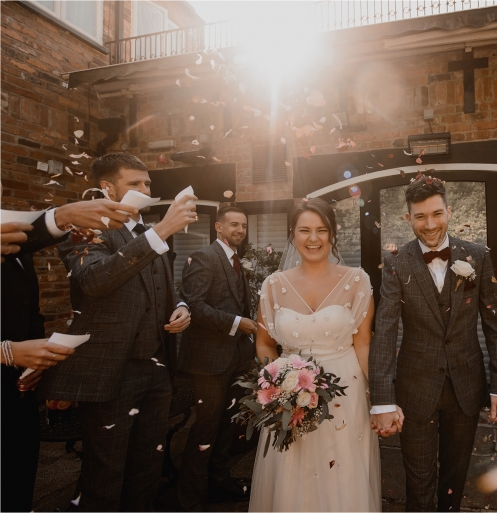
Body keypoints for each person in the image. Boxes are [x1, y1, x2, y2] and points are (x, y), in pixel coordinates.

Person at [37, 153, 197, 511]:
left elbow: (161, 288)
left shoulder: (147, 233)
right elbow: (94, 281)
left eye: (148, 184)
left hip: (156, 369)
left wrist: (181, 307)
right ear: (108, 188)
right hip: (112, 371)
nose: (145, 190)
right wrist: (161, 231)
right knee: (106, 475)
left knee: (147, 469)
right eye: (134, 184)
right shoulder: (87, 228)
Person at [369, 174, 497, 512]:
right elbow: (385, 330)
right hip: (415, 387)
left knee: (455, 476)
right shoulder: (395, 262)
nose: (429, 224)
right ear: (408, 218)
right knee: (418, 481)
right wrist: (383, 399)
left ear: (448, 211)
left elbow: (495, 324)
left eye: (436, 214)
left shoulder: (477, 256)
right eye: (420, 216)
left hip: (466, 384)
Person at [1, 197, 139, 512]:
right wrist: (7, 352)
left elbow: (25, 308)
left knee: (17, 485)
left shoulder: (12, 240)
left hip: (18, 391)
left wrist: (32, 357)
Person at [249, 198, 380, 511]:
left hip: (345, 393)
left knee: (344, 470)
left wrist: (378, 394)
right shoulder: (273, 285)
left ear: (332, 234)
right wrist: (275, 385)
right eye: (304, 230)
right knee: (295, 465)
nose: (313, 238)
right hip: (289, 392)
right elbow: (265, 342)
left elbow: (363, 342)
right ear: (292, 234)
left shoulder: (356, 280)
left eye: (322, 230)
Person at [177, 206, 255, 510]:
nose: (240, 229)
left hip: (235, 357)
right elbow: (193, 305)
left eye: (244, 225)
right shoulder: (204, 257)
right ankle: (191, 499)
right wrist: (237, 324)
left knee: (226, 425)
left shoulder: (236, 260)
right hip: (208, 361)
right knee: (204, 428)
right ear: (219, 227)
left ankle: (218, 483)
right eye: (234, 224)